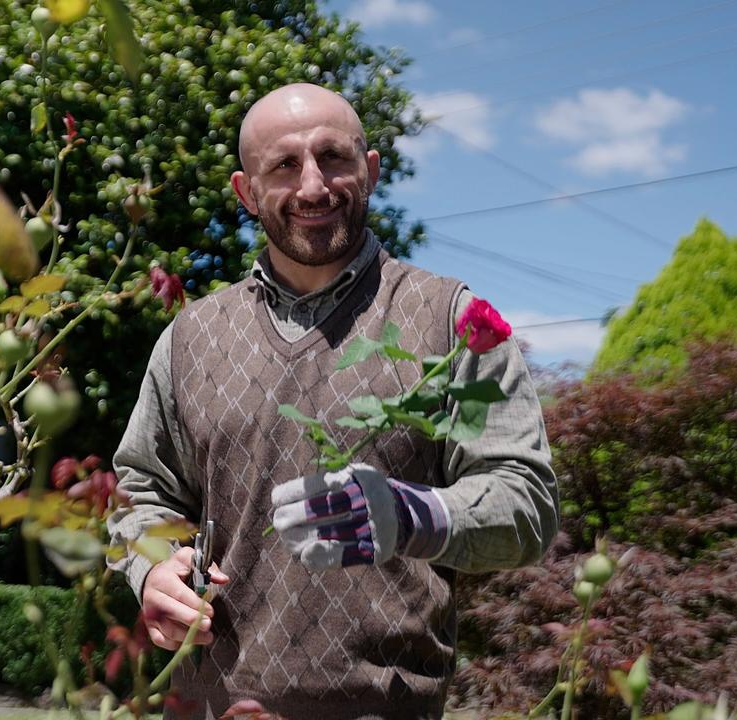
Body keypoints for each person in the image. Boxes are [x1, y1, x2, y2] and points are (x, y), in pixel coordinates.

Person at [108, 83, 559, 719]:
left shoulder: (449, 321)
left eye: (334, 157)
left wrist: (410, 515)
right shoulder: (190, 337)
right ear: (246, 192)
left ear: (369, 171)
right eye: (285, 165)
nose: (314, 186)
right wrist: (152, 567)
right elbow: (136, 489)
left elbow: (527, 504)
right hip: (214, 707)